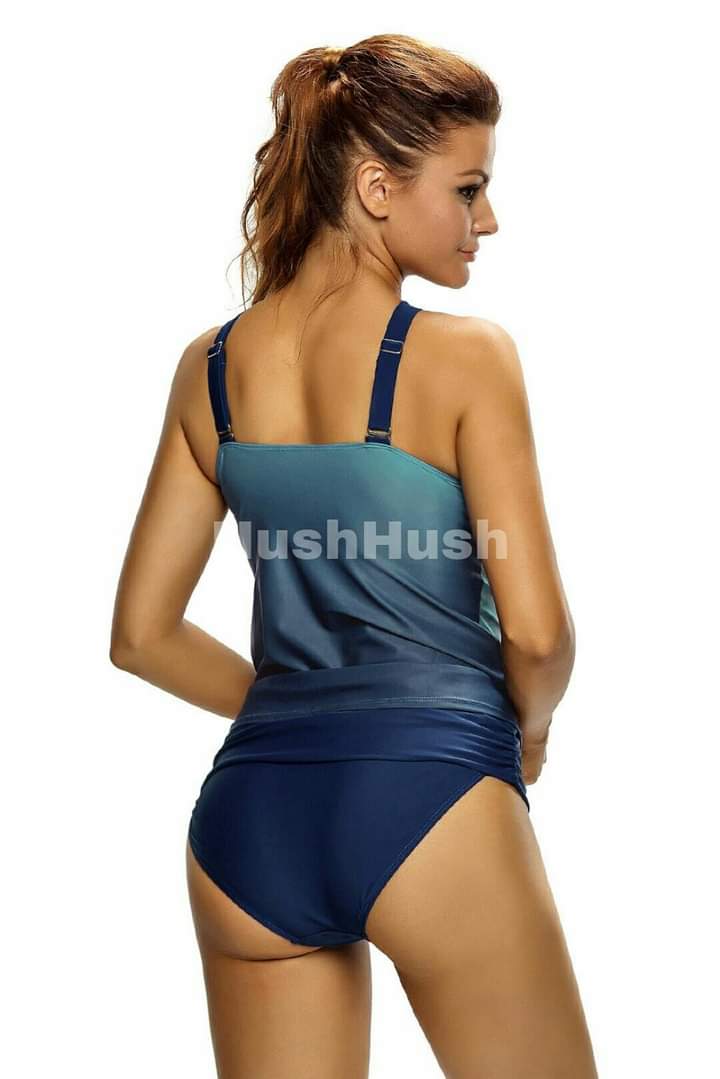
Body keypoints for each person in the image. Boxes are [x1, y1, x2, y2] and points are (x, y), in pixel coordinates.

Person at [110, 32, 598, 1079]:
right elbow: (538, 633)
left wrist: (298, 714)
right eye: (468, 188)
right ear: (378, 188)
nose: (487, 220)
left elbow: (142, 635)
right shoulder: (467, 357)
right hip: (434, 794)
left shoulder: (209, 371)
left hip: (251, 827)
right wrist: (529, 731)